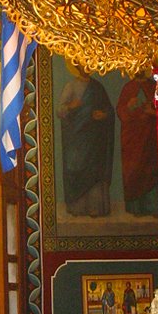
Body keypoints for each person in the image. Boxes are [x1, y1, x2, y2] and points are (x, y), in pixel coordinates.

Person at [57, 63, 115, 218]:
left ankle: (95, 207)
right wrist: (70, 106)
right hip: (76, 138)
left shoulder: (98, 87)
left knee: (94, 171)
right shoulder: (71, 86)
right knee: (76, 168)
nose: (87, 67)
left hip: (95, 138)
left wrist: (103, 115)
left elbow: (109, 109)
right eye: (84, 63)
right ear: (77, 65)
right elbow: (60, 111)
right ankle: (77, 207)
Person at [116, 71, 158, 216]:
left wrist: (152, 112)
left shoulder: (154, 87)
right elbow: (121, 112)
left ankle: (153, 207)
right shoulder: (129, 88)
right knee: (134, 170)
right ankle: (136, 208)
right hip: (133, 138)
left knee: (151, 170)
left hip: (150, 137)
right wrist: (129, 106)